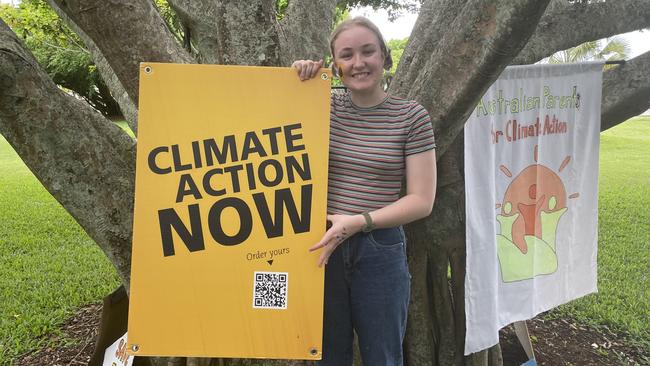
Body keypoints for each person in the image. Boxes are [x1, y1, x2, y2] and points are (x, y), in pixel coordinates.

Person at [292, 16, 437, 366]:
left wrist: (360, 221)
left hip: (380, 248)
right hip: (320, 246)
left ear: (385, 57)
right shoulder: (320, 107)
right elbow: (271, 127)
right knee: (325, 355)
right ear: (336, 65)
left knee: (383, 357)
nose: (359, 62)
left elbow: (422, 200)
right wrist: (297, 79)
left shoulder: (411, 117)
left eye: (368, 51)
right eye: (347, 55)